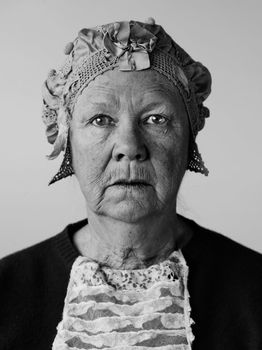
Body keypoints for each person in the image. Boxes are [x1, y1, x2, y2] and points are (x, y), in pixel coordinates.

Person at [0, 18, 261, 350]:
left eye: (156, 119)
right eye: (100, 120)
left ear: (188, 142)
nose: (129, 146)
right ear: (69, 145)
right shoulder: (8, 292)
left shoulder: (254, 289)